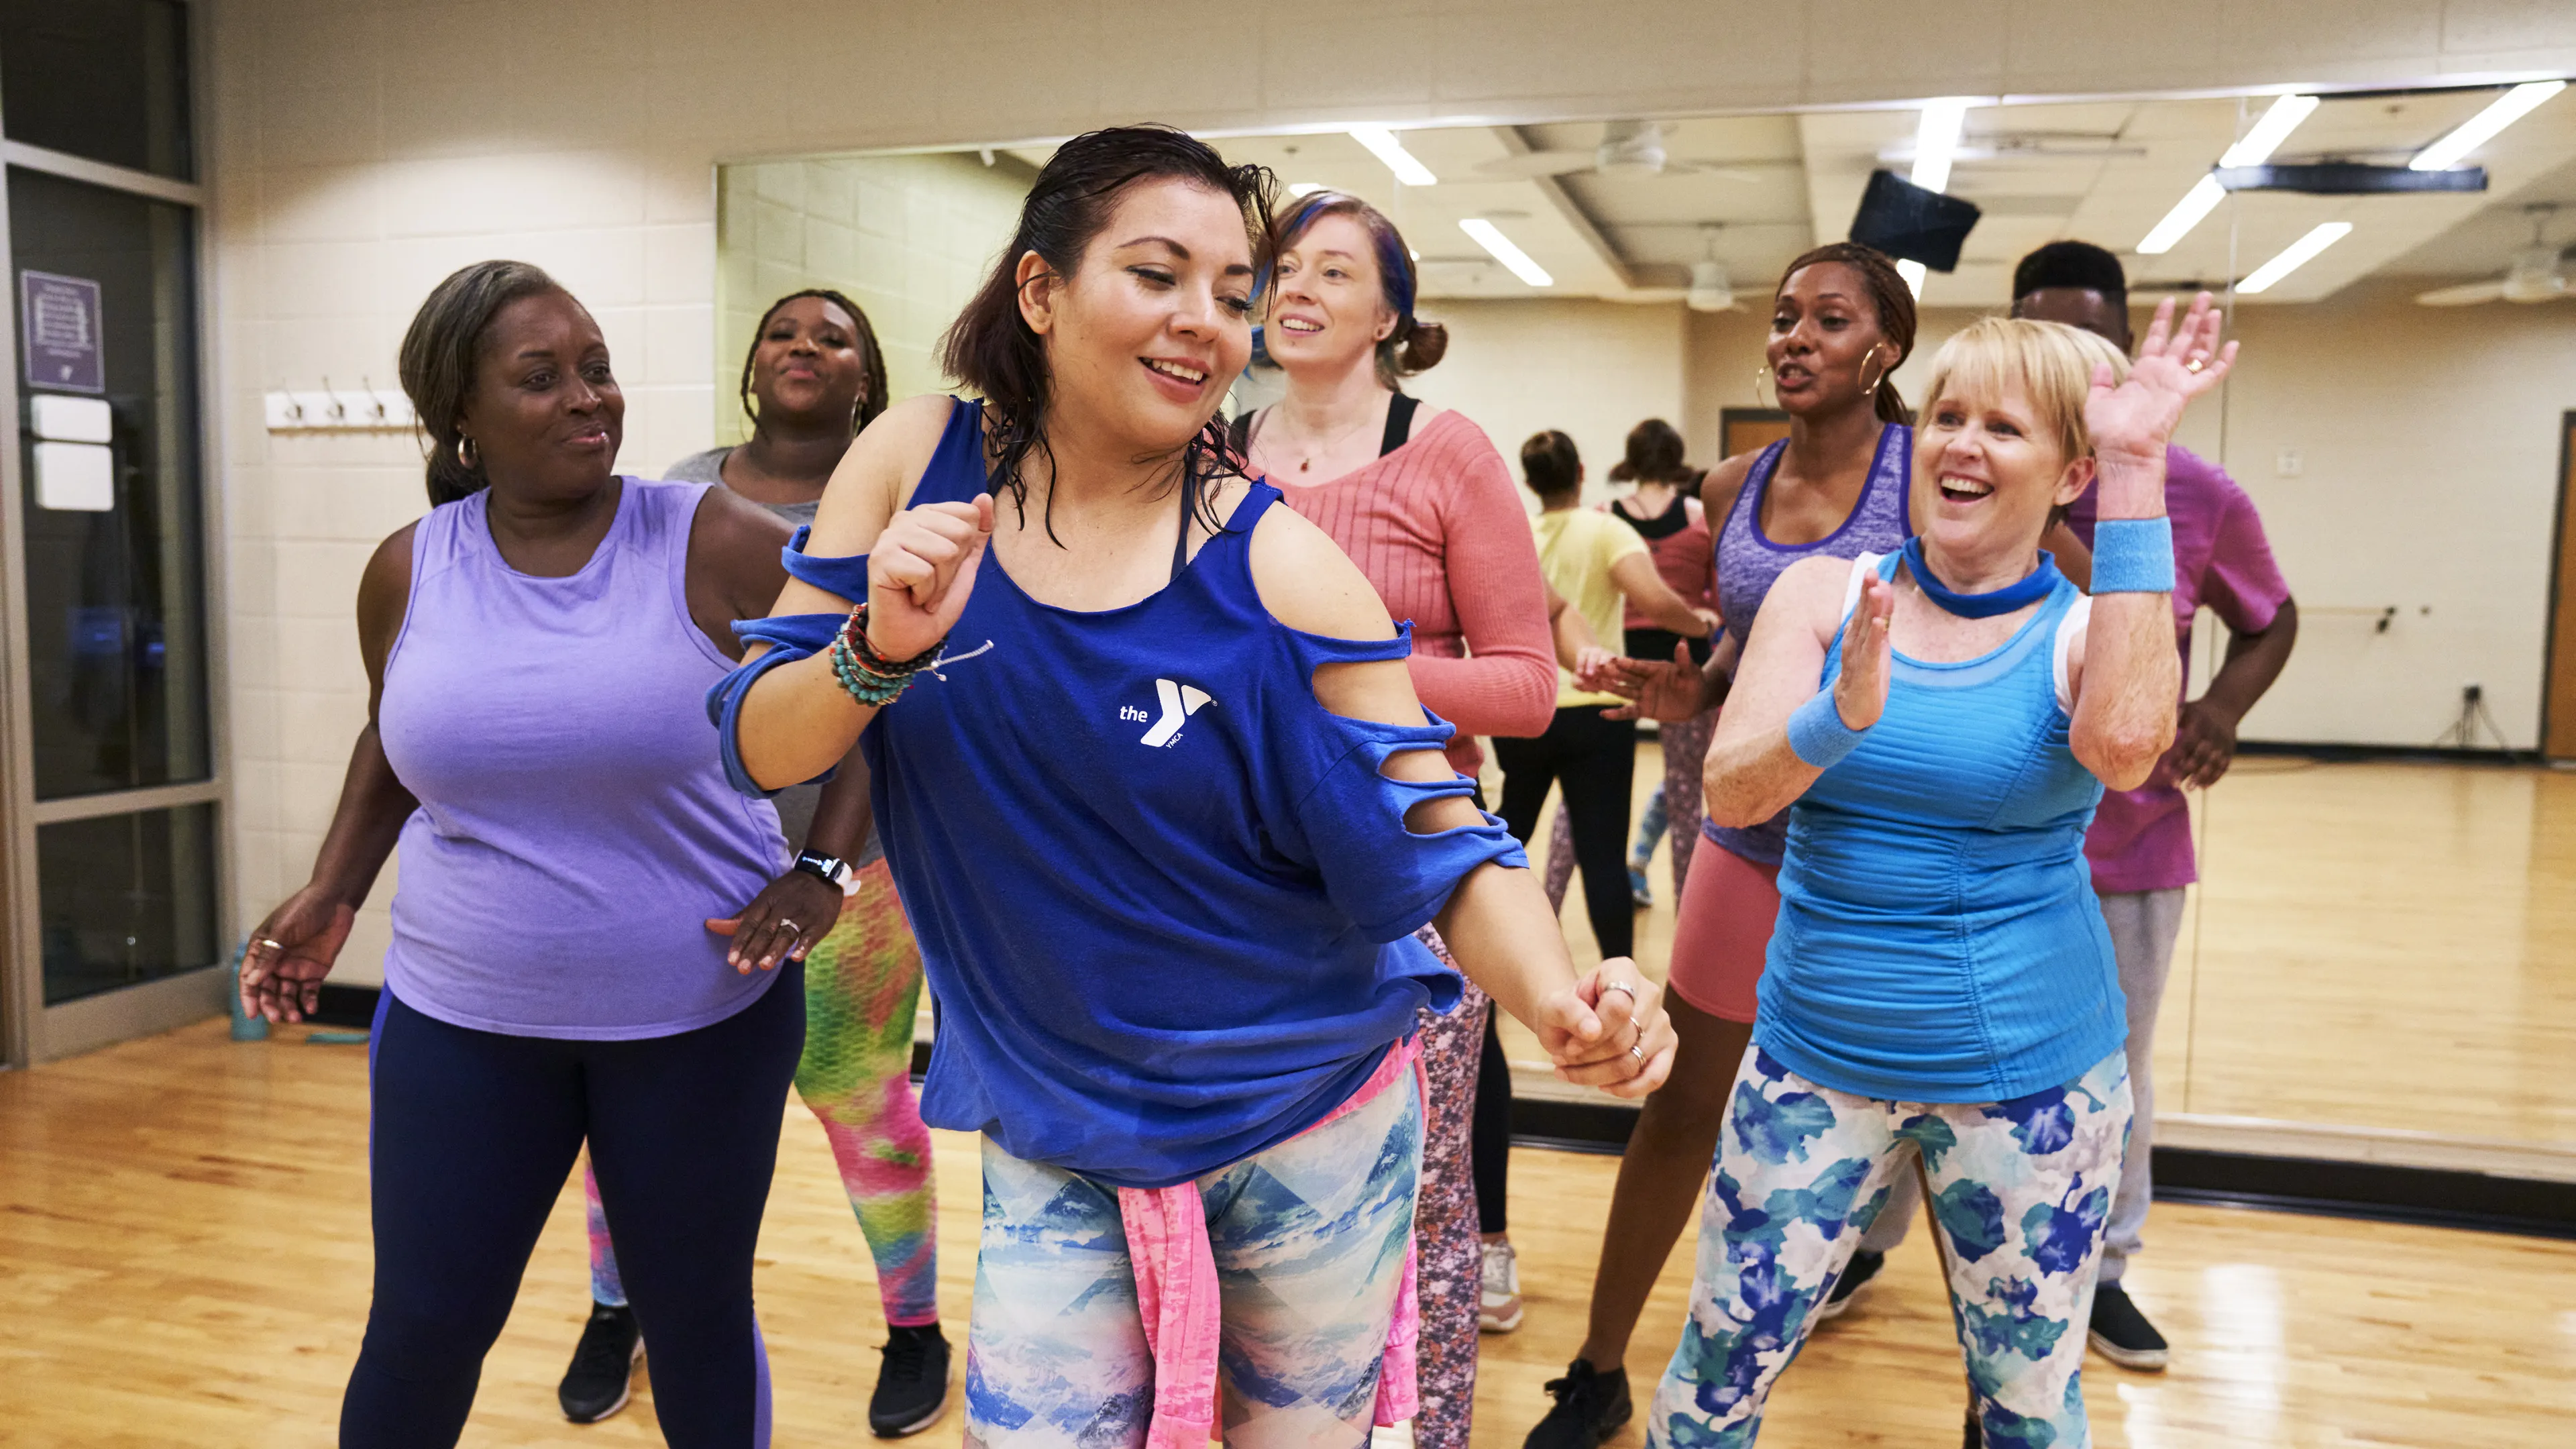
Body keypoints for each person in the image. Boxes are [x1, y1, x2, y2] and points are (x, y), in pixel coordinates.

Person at [709, 126, 1677, 1449]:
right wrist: (875, 648)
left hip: (1306, 1118)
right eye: (1159, 274)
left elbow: (1441, 840)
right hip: (1058, 1121)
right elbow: (767, 745)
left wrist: (1567, 1002)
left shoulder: (1280, 562)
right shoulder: (911, 460)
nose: (1207, 324)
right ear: (1040, 291)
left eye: (1234, 293)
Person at [237, 262, 855, 1448]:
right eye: (542, 379)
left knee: (695, 1323)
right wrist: (332, 891)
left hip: (698, 1020)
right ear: (460, 418)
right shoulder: (409, 568)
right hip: (460, 1022)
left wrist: (821, 873)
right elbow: (396, 734)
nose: (590, 400)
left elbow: (864, 700)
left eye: (597, 369)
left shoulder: (714, 540)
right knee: (421, 1326)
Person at [1646, 300, 2235, 1447]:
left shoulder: (2075, 631)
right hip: (1814, 1064)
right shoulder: (1828, 596)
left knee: (2025, 1409)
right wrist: (1838, 718)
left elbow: (2125, 747)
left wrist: (2137, 468)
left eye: (2003, 429)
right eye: (1948, 416)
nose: (1961, 444)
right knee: (1711, 1384)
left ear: (2066, 473)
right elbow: (1731, 793)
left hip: (2032, 1082)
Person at [1851, 241, 2299, 1375]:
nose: (2087, 363)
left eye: (2103, 336)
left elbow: (2272, 615)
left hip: (2127, 840)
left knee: (2116, 1071)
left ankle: (2100, 1273)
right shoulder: (1966, 474)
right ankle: (1868, 1240)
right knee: (1909, 1059)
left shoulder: (2198, 494)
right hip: (1967, 844)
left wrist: (2223, 712)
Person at [1522, 242, 1921, 1449]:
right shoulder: (1731, 484)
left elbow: (2038, 602)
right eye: (1786, 316)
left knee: (1940, 1119)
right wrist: (1691, 693)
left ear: (1884, 351)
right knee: (1681, 1103)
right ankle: (1598, 1372)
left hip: (1888, 852)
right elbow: (1751, 655)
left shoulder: (1933, 476)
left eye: (1830, 319)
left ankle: (1995, 1408)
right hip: (1754, 840)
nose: (1795, 336)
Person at [555, 288, 956, 1436]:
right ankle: (610, 1307)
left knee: (853, 1094)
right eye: (784, 332)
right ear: (751, 366)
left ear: (866, 381)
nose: (804, 349)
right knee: (625, 1098)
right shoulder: (676, 489)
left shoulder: (902, 500)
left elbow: (900, 700)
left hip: (856, 863)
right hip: (678, 859)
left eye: (833, 337)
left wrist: (823, 870)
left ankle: (915, 1329)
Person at [1230, 188, 1557, 1449]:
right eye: (1279, 270)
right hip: (1241, 871)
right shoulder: (1214, 450)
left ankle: (1419, 1433)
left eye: (1330, 272)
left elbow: (1525, 688)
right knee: (1265, 1181)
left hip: (1413, 861)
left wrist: (1342, 667)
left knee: (1417, 1190)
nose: (1293, 290)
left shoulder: (1449, 452)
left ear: (1390, 315)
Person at [1540, 421, 1714, 912]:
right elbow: (1711, 596)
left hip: (1620, 667)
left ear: (1631, 461)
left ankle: (1548, 901)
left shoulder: (1604, 516)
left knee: (1581, 800)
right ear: (1677, 459)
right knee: (1685, 798)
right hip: (1686, 667)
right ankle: (1689, 913)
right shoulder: (1700, 517)